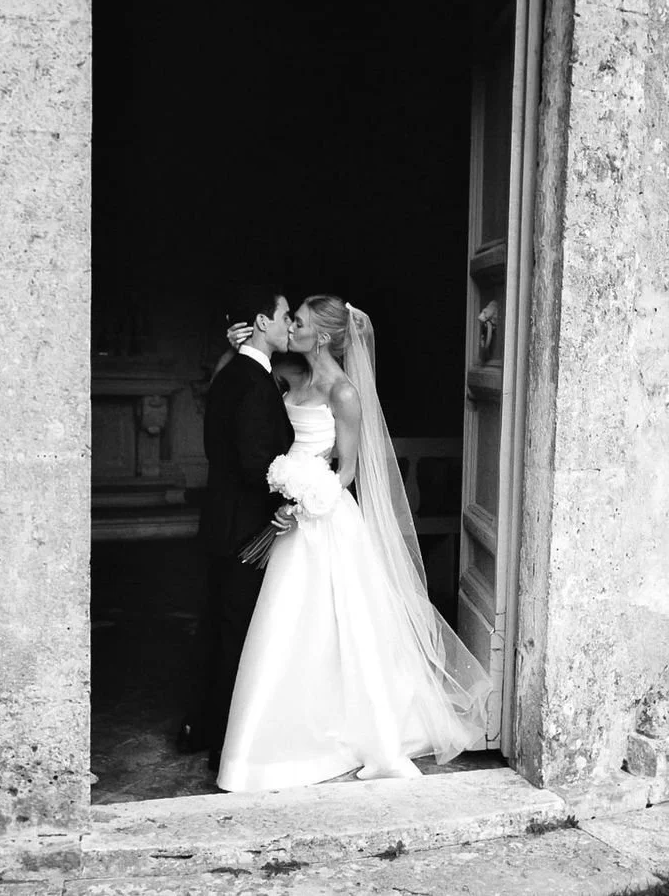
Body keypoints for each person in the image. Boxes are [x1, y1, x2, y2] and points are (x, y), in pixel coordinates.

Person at [216, 295, 492, 792]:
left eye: (297, 322)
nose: (291, 328)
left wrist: (304, 502)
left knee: (338, 628)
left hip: (323, 515)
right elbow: (244, 393)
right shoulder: (289, 377)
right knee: (289, 626)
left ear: (321, 335)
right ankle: (278, 735)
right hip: (293, 514)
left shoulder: (344, 393)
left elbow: (346, 470)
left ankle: (351, 731)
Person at [180, 285, 295, 773]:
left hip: (223, 523)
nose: (290, 324)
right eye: (285, 315)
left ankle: (203, 728)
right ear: (262, 321)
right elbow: (254, 463)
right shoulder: (250, 381)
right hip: (248, 529)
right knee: (238, 634)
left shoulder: (232, 375)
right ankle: (227, 745)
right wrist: (291, 492)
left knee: (220, 628)